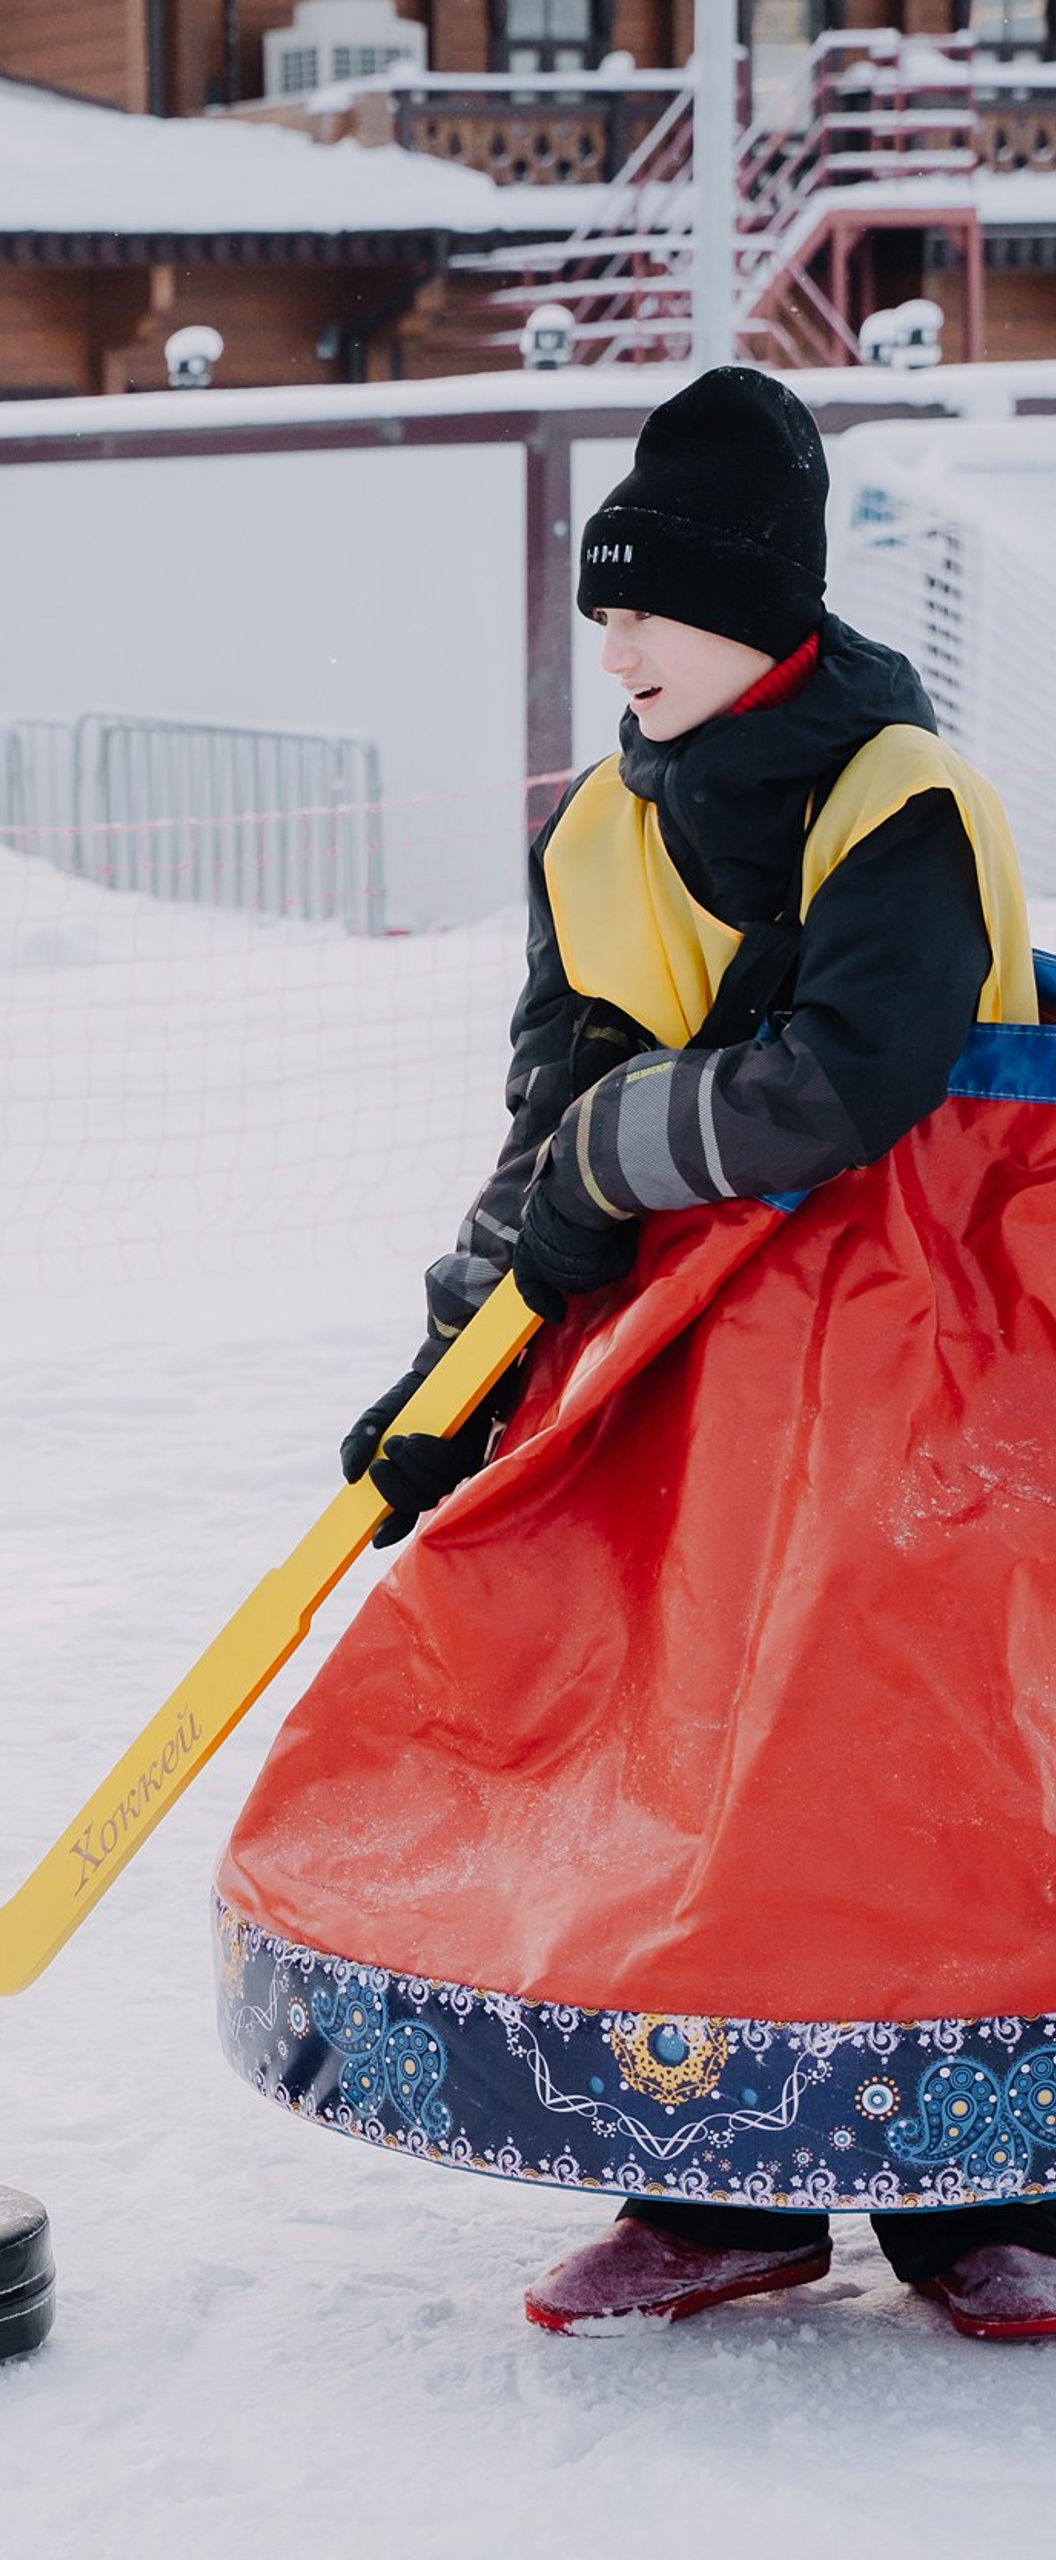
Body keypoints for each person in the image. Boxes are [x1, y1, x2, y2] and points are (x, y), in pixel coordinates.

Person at [211, 368, 1056, 2341]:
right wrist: (452, 1369)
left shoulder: (901, 804)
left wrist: (616, 1145)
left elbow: (845, 1083)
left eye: (649, 606)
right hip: (680, 1382)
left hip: (922, 1374)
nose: (614, 645)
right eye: (600, 609)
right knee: (677, 1770)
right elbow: (549, 1116)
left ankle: (979, 2189)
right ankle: (704, 2188)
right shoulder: (596, 822)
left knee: (908, 1764)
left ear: (759, 601)